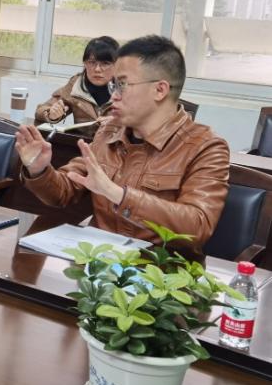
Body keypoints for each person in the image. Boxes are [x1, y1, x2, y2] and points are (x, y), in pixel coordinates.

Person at [16, 35, 229, 248]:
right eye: (113, 86)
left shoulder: (205, 147)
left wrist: (116, 193)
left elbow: (197, 226)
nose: (114, 97)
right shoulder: (109, 132)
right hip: (97, 259)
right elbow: (64, 192)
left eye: (122, 85)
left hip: (159, 264)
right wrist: (39, 170)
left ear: (160, 90)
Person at [35, 36, 118, 126]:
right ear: (84, 63)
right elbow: (40, 110)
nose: (97, 69)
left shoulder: (126, 88)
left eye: (105, 63)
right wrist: (51, 114)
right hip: (82, 136)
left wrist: (121, 121)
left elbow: (131, 120)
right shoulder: (76, 84)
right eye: (92, 62)